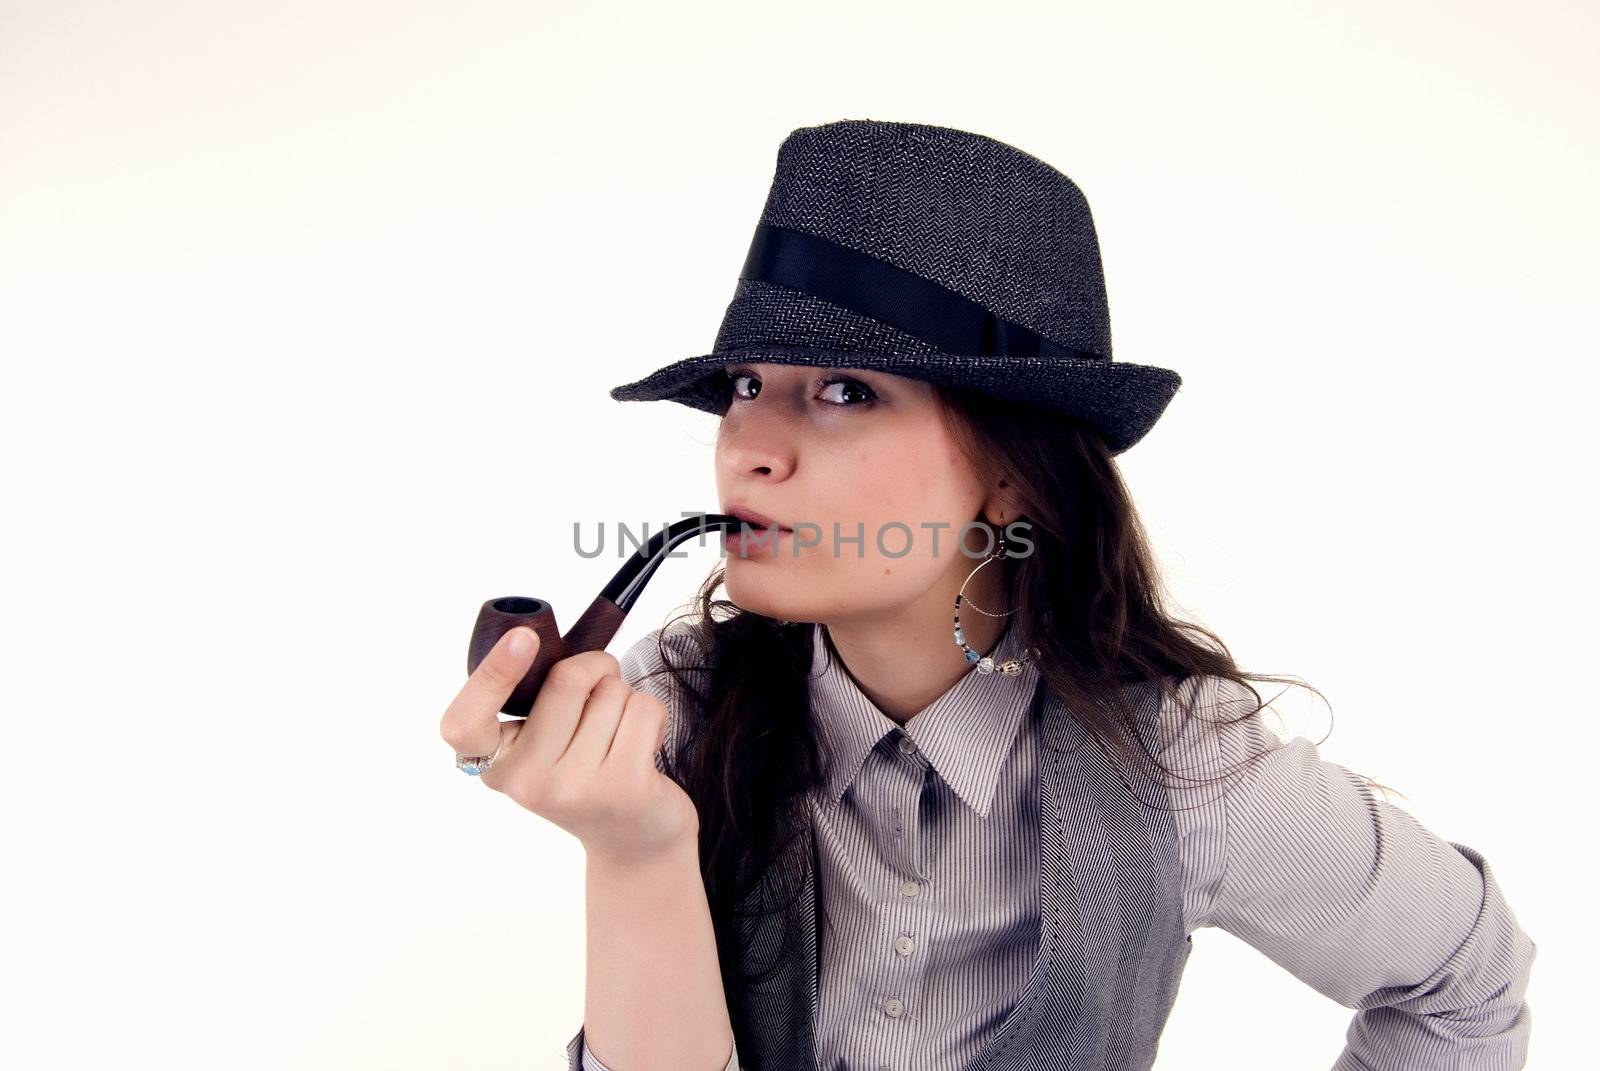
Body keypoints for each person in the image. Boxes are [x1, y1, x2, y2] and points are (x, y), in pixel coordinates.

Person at [440, 120, 1536, 1071]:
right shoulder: (668, 715)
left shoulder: (1183, 766)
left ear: (1008, 470)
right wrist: (636, 852)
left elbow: (1467, 984)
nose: (748, 452)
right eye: (742, 389)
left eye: (840, 391)